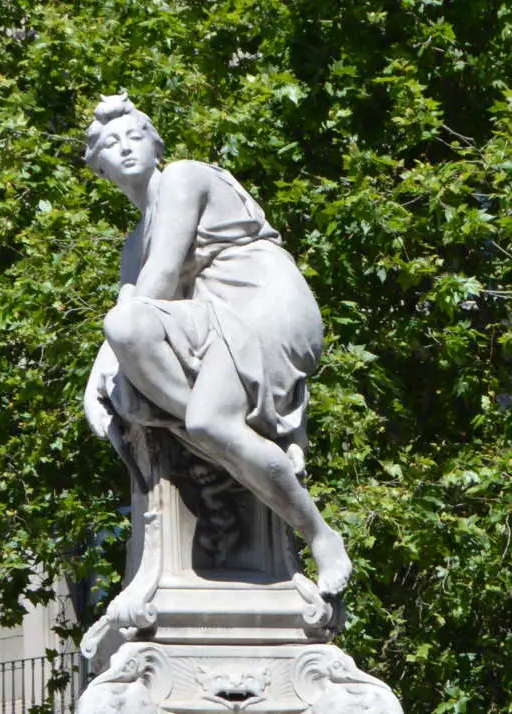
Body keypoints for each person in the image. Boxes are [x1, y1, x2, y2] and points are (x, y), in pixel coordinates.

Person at [82, 93, 352, 596]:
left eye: (134, 136)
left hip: (260, 301)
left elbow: (159, 278)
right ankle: (229, 443)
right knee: (130, 336)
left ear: (155, 143)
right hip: (212, 320)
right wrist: (96, 380)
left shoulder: (184, 176)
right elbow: (126, 319)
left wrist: (113, 358)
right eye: (111, 144)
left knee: (208, 420)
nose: (125, 148)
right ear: (99, 169)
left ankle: (321, 535)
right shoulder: (133, 242)